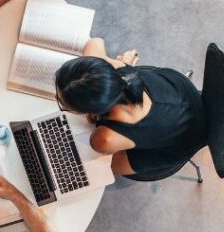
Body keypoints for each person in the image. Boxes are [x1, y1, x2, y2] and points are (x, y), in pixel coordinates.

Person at [55, 38, 207, 177]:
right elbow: (95, 42)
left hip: (180, 145)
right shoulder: (117, 68)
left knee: (100, 169)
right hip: (183, 94)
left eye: (62, 104)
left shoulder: (103, 139)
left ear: (87, 111)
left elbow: (110, 166)